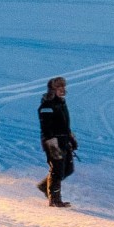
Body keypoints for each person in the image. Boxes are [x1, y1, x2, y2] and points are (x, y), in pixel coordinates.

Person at [37, 76, 77, 207]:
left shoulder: (61, 103)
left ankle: (45, 186)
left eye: (63, 87)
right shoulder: (47, 105)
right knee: (58, 169)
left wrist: (71, 138)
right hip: (53, 142)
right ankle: (54, 199)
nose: (62, 90)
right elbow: (46, 127)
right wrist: (52, 144)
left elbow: (65, 124)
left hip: (64, 140)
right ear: (52, 90)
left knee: (68, 169)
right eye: (59, 87)